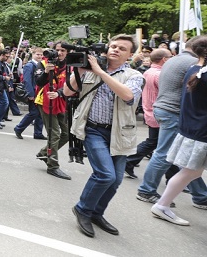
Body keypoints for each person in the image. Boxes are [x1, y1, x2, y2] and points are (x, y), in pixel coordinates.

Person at [65, 34, 144, 238]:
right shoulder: (91, 69)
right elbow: (66, 92)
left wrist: (100, 72)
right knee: (105, 175)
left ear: (129, 55)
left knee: (116, 179)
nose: (116, 50)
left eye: (122, 48)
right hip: (92, 129)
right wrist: (78, 71)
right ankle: (82, 209)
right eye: (113, 46)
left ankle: (95, 213)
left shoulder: (134, 75)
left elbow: (127, 96)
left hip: (120, 132)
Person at [136, 37, 207, 208]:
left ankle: (200, 195)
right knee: (165, 154)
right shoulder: (194, 64)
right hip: (174, 112)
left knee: (190, 162)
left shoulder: (175, 59)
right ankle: (146, 189)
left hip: (165, 108)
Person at [123, 49, 172, 179]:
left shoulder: (149, 72)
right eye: (170, 57)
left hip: (150, 111)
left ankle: (129, 162)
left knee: (155, 142)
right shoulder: (160, 74)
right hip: (159, 113)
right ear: (164, 59)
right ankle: (129, 162)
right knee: (163, 144)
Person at [35, 43, 71, 180]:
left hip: (61, 99)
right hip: (45, 101)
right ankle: (53, 166)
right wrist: (46, 73)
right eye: (57, 50)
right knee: (54, 134)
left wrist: (60, 93)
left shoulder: (70, 66)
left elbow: (72, 84)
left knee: (67, 133)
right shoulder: (43, 64)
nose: (60, 53)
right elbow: (38, 82)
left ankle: (44, 153)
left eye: (63, 50)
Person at [14, 47, 46, 139]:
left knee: (40, 113)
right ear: (33, 54)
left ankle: (38, 133)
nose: (40, 56)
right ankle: (19, 128)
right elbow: (27, 81)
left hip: (39, 92)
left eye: (41, 54)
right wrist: (30, 94)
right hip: (33, 92)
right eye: (37, 54)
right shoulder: (29, 65)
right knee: (34, 113)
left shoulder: (41, 65)